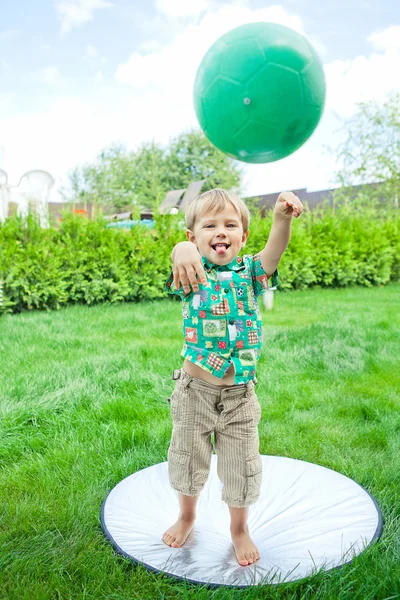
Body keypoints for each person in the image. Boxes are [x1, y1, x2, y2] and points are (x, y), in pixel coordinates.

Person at [162, 188, 303, 566]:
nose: (220, 231)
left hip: (240, 395)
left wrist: (282, 219)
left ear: (243, 237)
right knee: (187, 460)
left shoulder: (251, 274)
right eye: (209, 225)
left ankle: (239, 528)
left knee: (242, 466)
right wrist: (181, 247)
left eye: (230, 225)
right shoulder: (190, 272)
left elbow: (274, 252)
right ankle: (187, 516)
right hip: (194, 392)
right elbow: (180, 255)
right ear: (194, 237)